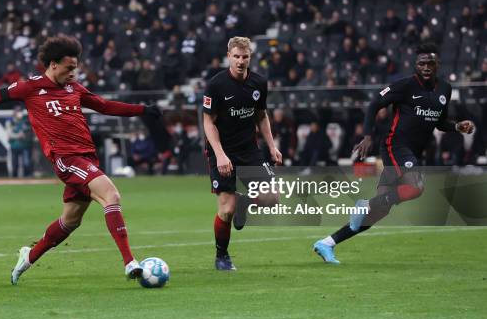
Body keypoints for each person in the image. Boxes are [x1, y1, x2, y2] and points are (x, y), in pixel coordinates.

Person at [0, 35, 161, 284]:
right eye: (69, 68)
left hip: (87, 158)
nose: (74, 73)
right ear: (53, 65)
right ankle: (130, 262)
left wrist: (142, 110)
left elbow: (105, 106)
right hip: (66, 158)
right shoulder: (29, 88)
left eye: (75, 68)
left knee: (71, 221)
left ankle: (28, 256)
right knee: (112, 195)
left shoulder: (74, 88)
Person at [313, 43, 475, 264]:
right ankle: (367, 203)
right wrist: (368, 135)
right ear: (415, 65)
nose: (426, 67)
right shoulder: (405, 86)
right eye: (422, 63)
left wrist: (456, 127)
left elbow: (439, 122)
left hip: (412, 152)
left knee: (380, 211)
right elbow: (374, 104)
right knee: (416, 187)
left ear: (437, 64)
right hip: (395, 145)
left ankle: (327, 243)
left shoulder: (444, 89)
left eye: (430, 63)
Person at [203, 36, 282, 271]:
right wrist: (219, 154)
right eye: (236, 56)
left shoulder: (259, 83)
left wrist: (272, 146)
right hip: (222, 151)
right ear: (229, 56)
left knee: (272, 199)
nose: (240, 61)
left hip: (249, 150)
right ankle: (222, 256)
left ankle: (245, 203)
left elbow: (261, 116)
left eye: (244, 57)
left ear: (250, 57)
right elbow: (208, 122)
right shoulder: (216, 85)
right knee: (226, 209)